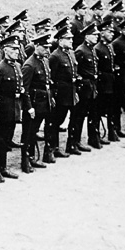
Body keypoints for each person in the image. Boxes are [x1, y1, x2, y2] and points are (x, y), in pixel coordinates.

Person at [0, 35, 30, 177]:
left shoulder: (18, 66)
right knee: (0, 140)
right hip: (3, 110)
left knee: (7, 139)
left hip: (14, 109)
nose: (16, 51)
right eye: (13, 49)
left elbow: (21, 88)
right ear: (5, 50)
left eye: (17, 49)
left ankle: (3, 166)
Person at [45, 27, 79, 158]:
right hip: (60, 94)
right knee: (56, 121)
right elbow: (51, 78)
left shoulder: (71, 53)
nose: (71, 41)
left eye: (71, 38)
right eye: (68, 39)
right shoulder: (55, 56)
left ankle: (71, 145)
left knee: (72, 119)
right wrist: (53, 95)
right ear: (60, 41)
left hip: (71, 92)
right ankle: (53, 148)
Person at [20, 33, 53, 168]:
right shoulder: (29, 65)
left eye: (48, 47)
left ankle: (32, 157)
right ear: (37, 46)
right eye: (44, 47)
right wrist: (29, 107)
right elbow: (24, 89)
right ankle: (26, 160)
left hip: (43, 102)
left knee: (34, 132)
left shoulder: (44, 61)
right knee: (28, 133)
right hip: (33, 104)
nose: (47, 50)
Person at [69, 23, 100, 151]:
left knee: (89, 113)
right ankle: (73, 142)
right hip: (84, 86)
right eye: (94, 35)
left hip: (92, 85)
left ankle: (83, 140)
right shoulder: (81, 50)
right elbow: (75, 70)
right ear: (87, 37)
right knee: (78, 115)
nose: (96, 37)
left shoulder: (92, 49)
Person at [93, 18, 121, 143]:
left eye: (112, 32)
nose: (112, 34)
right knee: (97, 110)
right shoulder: (97, 48)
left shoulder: (110, 46)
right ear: (102, 33)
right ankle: (95, 136)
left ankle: (111, 131)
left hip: (111, 81)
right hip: (102, 83)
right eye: (109, 32)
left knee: (110, 108)